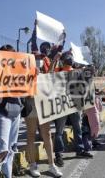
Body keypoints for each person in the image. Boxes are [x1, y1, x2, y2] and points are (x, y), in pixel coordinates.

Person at [0, 44, 24, 178]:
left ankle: (8, 175)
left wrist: (33, 76)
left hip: (16, 111)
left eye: (11, 55)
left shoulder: (19, 71)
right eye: (5, 55)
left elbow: (27, 89)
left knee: (12, 149)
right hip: (1, 111)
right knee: (1, 151)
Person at [25, 42, 63, 177]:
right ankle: (32, 165)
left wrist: (54, 61)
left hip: (43, 102)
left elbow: (50, 76)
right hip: (30, 102)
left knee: (47, 134)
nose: (39, 59)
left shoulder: (45, 62)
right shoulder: (26, 64)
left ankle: (52, 165)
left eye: (41, 57)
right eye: (37, 57)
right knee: (30, 134)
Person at [53, 52, 93, 168]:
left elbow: (86, 84)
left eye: (71, 57)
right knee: (59, 131)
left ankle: (80, 150)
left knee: (77, 128)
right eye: (67, 57)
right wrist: (54, 60)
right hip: (62, 105)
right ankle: (58, 154)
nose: (70, 59)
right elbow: (48, 75)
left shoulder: (77, 71)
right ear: (63, 60)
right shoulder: (58, 71)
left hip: (75, 106)